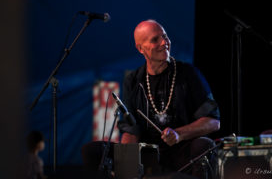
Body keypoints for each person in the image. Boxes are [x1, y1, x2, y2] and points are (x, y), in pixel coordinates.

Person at [82, 19, 220, 178]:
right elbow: (131, 131)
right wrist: (126, 167)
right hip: (147, 155)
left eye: (165, 36)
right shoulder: (133, 81)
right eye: (156, 39)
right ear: (140, 48)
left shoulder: (188, 74)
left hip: (181, 152)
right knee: (92, 151)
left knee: (204, 145)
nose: (164, 42)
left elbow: (213, 122)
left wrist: (179, 134)